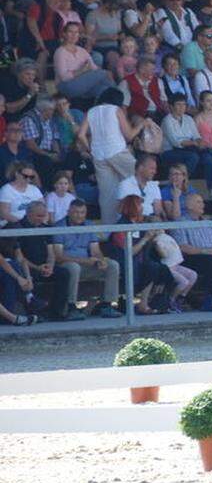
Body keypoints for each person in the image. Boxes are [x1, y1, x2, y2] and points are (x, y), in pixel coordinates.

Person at [76, 88, 141, 226]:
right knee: (139, 179)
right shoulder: (116, 110)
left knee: (107, 195)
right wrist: (141, 125)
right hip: (118, 151)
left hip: (99, 156)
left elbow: (81, 135)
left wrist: (90, 149)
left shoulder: (91, 111)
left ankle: (109, 231)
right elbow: (129, 135)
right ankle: (141, 220)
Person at [52, 198, 119, 321]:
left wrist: (101, 259)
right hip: (67, 265)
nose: (79, 215)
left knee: (112, 265)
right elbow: (58, 257)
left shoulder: (89, 225)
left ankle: (107, 304)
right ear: (69, 212)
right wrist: (84, 261)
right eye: (76, 212)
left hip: (87, 265)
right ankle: (71, 307)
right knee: (74, 267)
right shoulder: (59, 226)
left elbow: (95, 250)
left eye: (82, 212)